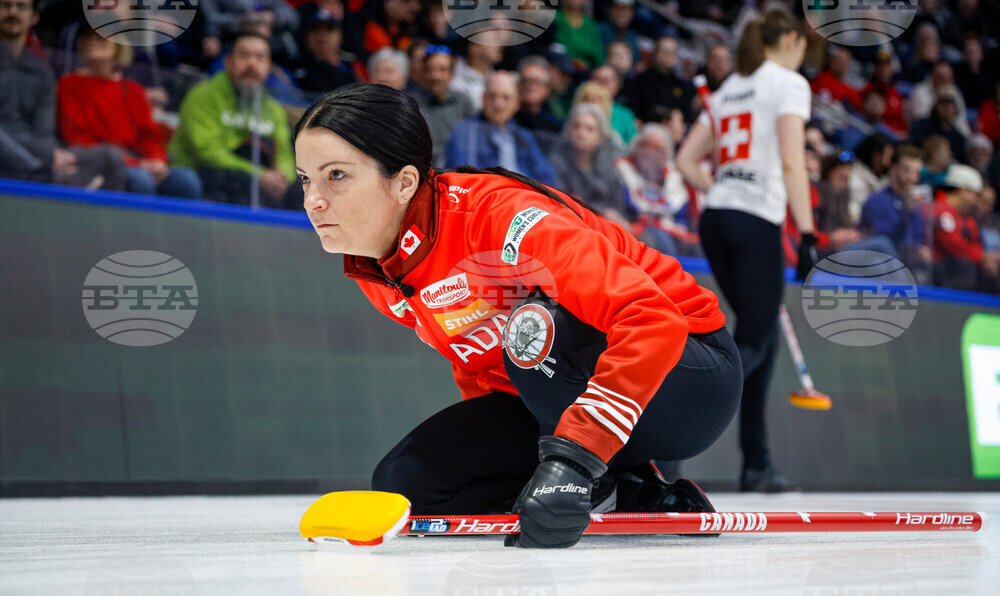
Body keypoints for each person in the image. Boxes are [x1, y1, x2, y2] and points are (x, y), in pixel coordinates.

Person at [294, 83, 742, 549]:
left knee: (533, 328)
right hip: (573, 383)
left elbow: (652, 319)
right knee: (407, 483)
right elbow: (478, 366)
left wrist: (573, 461)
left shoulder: (503, 216)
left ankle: (594, 474)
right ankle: (633, 492)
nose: (313, 200)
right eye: (306, 178)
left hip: (690, 376)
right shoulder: (378, 274)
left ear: (405, 182)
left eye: (337, 176)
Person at [676, 8, 813, 492]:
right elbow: (794, 163)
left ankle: (757, 462)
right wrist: (809, 232)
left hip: (717, 218)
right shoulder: (788, 82)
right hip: (756, 220)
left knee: (761, 338)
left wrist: (722, 187)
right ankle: (673, 420)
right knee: (753, 340)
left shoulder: (731, 86)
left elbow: (687, 160)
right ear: (793, 40)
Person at [57, 30, 202, 199]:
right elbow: (77, 138)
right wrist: (137, 164)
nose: (93, 41)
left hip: (137, 161)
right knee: (141, 180)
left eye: (101, 36)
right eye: (89, 36)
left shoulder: (132, 90)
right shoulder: (69, 84)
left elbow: (150, 135)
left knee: (186, 180)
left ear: (119, 46)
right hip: (98, 162)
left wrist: (157, 161)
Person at [0, 0, 126, 190]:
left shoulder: (42, 72)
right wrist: (47, 156)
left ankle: (58, 181)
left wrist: (53, 154)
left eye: (21, 7)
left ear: (34, 17)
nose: (13, 12)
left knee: (110, 158)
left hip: (37, 153)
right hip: (12, 152)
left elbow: (44, 131)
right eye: (6, 6)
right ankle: (52, 178)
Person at [169, 32, 297, 207]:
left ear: (268, 67)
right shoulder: (204, 95)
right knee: (238, 181)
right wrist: (258, 174)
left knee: (300, 189)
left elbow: (285, 155)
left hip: (252, 180)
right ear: (227, 62)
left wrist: (282, 176)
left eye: (260, 57)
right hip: (203, 172)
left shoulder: (274, 109)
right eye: (244, 55)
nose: (252, 64)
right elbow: (207, 151)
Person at [444, 71, 557, 186]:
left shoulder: (523, 137)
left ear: (517, 103)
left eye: (506, 98)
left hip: (523, 197)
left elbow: (546, 176)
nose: (498, 104)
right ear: (483, 99)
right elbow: (460, 176)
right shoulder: (465, 131)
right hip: (484, 196)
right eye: (493, 96)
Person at [548, 103, 628, 222]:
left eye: (589, 129)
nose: (581, 133)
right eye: (576, 126)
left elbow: (616, 205)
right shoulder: (556, 161)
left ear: (600, 137)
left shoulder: (608, 169)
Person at [858, 144, 930, 269]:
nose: (912, 177)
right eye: (907, 170)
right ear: (894, 168)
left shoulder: (917, 206)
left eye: (916, 172)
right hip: (880, 267)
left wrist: (922, 250)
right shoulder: (877, 201)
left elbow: (917, 240)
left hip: (909, 266)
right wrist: (906, 213)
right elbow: (883, 242)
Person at [931, 164, 1000, 291]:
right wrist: (982, 256)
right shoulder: (941, 211)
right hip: (939, 270)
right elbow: (952, 245)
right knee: (966, 267)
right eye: (975, 195)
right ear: (962, 191)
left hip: (954, 267)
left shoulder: (966, 218)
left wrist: (985, 258)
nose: (976, 201)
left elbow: (974, 244)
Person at [413, 45, 474, 169]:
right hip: (427, 171)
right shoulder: (414, 103)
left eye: (442, 70)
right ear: (424, 74)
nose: (435, 76)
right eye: (430, 70)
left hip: (461, 170)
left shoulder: (463, 102)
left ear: (451, 74)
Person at [624, 36, 695, 123]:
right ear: (655, 53)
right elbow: (645, 110)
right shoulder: (640, 81)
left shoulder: (682, 85)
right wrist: (670, 115)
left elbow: (686, 115)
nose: (669, 56)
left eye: (673, 52)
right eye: (665, 51)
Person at [292, 12, 357, 96]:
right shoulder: (297, 66)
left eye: (328, 30)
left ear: (339, 35)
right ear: (308, 36)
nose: (322, 37)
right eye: (316, 30)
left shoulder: (353, 64)